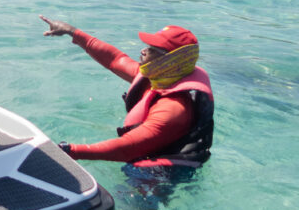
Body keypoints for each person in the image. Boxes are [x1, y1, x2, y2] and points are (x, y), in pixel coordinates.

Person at [39, 18, 214, 166]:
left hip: (162, 175)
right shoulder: (156, 78)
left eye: (152, 49)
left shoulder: (173, 109)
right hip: (144, 150)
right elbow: (115, 59)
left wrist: (67, 151)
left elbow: (126, 149)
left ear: (170, 61)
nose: (143, 50)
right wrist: (71, 31)